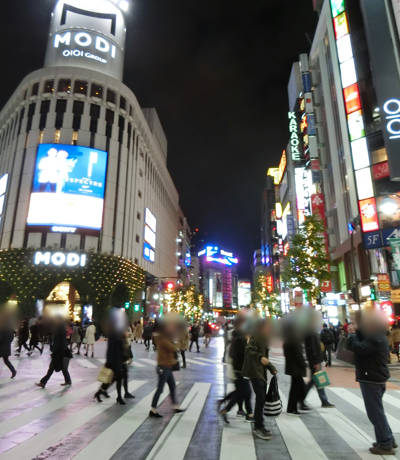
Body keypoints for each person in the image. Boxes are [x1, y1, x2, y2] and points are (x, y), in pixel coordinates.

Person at [347, 312, 396, 455]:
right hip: (374, 377)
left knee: (375, 413)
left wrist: (352, 334)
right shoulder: (376, 335)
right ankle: (387, 439)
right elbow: (359, 344)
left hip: (372, 378)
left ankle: (386, 443)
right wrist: (356, 331)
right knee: (377, 412)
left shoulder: (375, 337)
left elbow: (360, 348)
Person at [242, 319, 277, 441]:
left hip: (260, 371)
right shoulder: (257, 336)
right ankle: (258, 426)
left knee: (261, 399)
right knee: (261, 398)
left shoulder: (264, 337)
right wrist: (260, 357)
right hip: (254, 371)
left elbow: (264, 357)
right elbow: (249, 349)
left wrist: (271, 368)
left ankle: (259, 424)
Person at [218, 316, 253, 423]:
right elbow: (239, 355)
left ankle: (249, 414)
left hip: (239, 370)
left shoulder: (239, 336)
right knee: (243, 392)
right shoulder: (240, 338)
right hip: (239, 370)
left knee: (243, 392)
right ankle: (226, 410)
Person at [149, 320, 185, 418]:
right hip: (163, 367)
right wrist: (176, 341)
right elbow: (174, 348)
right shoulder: (162, 339)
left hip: (168, 366)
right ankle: (153, 409)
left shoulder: (165, 337)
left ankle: (175, 406)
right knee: (160, 389)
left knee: (172, 386)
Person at [303, 316, 335, 409]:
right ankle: (301, 398)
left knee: (316, 381)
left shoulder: (311, 332)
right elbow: (313, 349)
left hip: (315, 361)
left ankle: (324, 401)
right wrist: (316, 362)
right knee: (316, 381)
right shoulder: (311, 333)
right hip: (315, 362)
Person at [95, 325, 127, 405]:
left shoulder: (116, 335)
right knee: (116, 379)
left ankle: (99, 393)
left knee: (113, 379)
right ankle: (119, 397)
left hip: (117, 361)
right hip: (115, 361)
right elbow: (111, 349)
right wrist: (109, 362)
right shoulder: (115, 335)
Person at [36, 317, 72, 388]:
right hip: (61, 352)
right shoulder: (61, 328)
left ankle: (43, 382)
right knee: (62, 368)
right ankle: (68, 381)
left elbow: (58, 342)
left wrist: (54, 351)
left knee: (53, 368)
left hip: (59, 353)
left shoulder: (59, 329)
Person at [283, 323, 307, 416]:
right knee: (296, 389)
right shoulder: (294, 340)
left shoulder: (288, 339)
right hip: (296, 368)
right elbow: (298, 355)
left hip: (292, 367)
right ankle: (293, 408)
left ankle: (293, 407)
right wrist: (304, 364)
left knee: (297, 388)